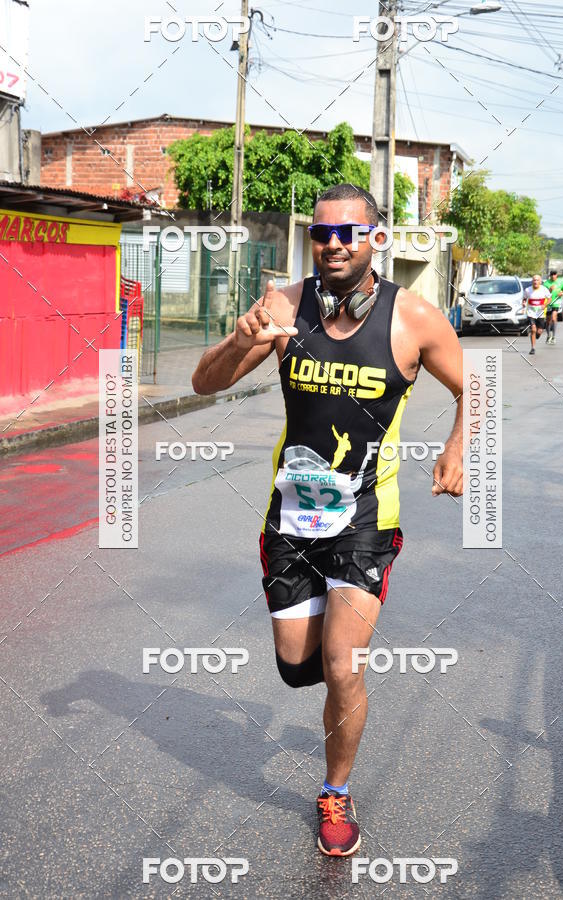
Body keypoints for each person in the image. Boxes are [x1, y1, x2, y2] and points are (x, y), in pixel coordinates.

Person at [192, 183, 463, 857]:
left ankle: (335, 789)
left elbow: (473, 385)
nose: (335, 244)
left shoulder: (416, 320)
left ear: (378, 238)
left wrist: (459, 447)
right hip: (291, 516)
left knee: (343, 666)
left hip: (368, 519)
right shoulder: (285, 306)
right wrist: (241, 338)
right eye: (323, 234)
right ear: (311, 239)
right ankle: (324, 675)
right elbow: (204, 383)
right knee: (297, 665)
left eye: (349, 233)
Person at [524, 274, 550, 355]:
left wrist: (545, 305)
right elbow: (524, 298)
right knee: (533, 329)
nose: (535, 282)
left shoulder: (544, 289)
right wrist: (524, 303)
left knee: (539, 331)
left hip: (540, 314)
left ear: (540, 281)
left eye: (537, 280)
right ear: (532, 281)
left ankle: (537, 335)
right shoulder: (528, 290)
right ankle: (533, 348)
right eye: (534, 280)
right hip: (531, 313)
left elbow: (549, 298)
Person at [543, 270, 563, 344]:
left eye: (554, 275)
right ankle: (548, 335)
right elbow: (543, 294)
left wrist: (561, 293)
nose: (553, 276)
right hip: (549, 303)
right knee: (548, 321)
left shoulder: (560, 282)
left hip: (556, 302)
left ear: (557, 275)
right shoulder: (546, 283)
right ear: (550, 275)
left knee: (553, 317)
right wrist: (549, 290)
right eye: (552, 275)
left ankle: (554, 337)